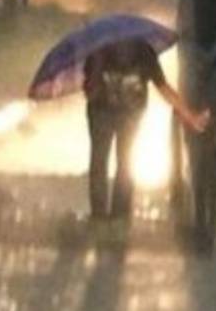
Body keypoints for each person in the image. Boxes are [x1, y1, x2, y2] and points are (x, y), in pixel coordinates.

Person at [83, 39, 209, 220]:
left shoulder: (144, 52)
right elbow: (90, 92)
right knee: (99, 162)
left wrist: (189, 115)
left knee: (124, 163)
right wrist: (97, 64)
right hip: (101, 114)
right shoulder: (99, 50)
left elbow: (163, 87)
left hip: (130, 115)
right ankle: (99, 215)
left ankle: (119, 216)